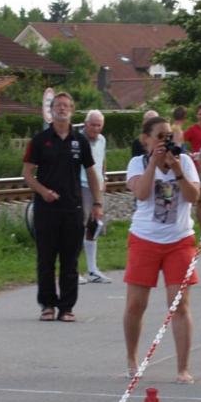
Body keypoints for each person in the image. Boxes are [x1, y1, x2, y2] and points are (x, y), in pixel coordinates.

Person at [123, 115, 201, 383]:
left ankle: (183, 368)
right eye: (159, 137)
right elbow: (141, 193)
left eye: (169, 137)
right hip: (145, 238)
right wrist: (154, 164)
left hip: (179, 240)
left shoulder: (185, 161)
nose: (165, 142)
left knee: (179, 304)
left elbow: (193, 196)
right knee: (136, 303)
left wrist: (176, 169)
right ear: (146, 139)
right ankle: (132, 359)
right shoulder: (138, 163)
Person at [23, 92, 100, 321]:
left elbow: (91, 173)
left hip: (73, 208)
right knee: (46, 259)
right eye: (58, 105)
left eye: (66, 105)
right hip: (46, 209)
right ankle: (47, 305)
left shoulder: (80, 141)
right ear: (51, 110)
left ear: (72, 110)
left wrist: (97, 203)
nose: (62, 109)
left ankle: (66, 308)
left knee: (70, 260)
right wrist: (43, 191)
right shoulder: (40, 140)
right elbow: (27, 174)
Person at [80, 109, 111, 285]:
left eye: (99, 125)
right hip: (82, 185)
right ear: (86, 124)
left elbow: (102, 159)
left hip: (97, 187)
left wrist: (104, 177)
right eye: (93, 125)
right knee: (79, 226)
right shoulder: (78, 139)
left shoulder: (102, 140)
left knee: (94, 226)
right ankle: (74, 269)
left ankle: (92, 269)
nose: (96, 128)